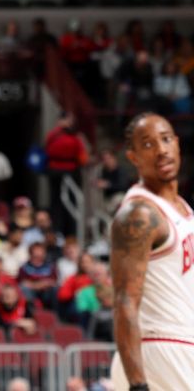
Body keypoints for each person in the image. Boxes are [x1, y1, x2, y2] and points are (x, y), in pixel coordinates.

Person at [110, 113, 194, 390]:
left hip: (181, 346)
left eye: (166, 139)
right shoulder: (139, 215)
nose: (161, 150)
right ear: (132, 157)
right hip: (158, 350)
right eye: (147, 144)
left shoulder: (183, 209)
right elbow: (124, 302)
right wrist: (138, 385)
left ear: (177, 144)